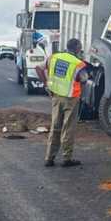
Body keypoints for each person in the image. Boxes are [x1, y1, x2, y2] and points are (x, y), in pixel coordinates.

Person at [40, 38, 90, 168]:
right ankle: (67, 158)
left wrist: (47, 84)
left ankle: (49, 158)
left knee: (55, 127)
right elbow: (84, 79)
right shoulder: (78, 64)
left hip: (56, 96)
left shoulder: (53, 57)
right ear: (78, 48)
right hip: (71, 99)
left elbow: (38, 69)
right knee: (68, 128)